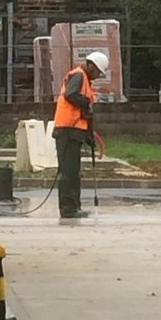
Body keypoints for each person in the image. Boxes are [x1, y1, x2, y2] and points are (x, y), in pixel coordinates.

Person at [52, 52, 109, 218]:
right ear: (91, 66)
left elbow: (84, 113)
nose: (98, 76)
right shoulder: (78, 76)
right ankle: (68, 209)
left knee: (73, 172)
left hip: (74, 131)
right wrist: (85, 102)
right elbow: (71, 95)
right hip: (67, 130)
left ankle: (74, 207)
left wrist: (88, 134)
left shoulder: (85, 79)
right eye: (98, 72)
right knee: (68, 172)